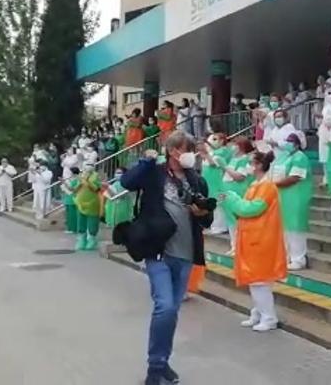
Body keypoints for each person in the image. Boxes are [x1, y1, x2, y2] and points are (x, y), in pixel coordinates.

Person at [115, 131, 213, 385]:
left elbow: (207, 220)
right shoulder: (154, 173)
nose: (189, 154)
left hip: (186, 254)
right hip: (158, 251)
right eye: (185, 149)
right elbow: (126, 182)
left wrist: (201, 212)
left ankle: (163, 362)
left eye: (191, 149)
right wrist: (146, 161)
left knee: (172, 312)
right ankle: (155, 367)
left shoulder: (197, 181)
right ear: (172, 151)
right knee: (165, 307)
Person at [220, 150, 287, 332]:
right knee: (254, 280)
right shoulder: (254, 185)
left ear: (258, 165)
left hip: (262, 239)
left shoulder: (268, 187)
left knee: (260, 281)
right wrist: (231, 203)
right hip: (252, 238)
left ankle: (269, 318)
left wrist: (233, 199)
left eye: (250, 162)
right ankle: (257, 313)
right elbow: (243, 210)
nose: (248, 165)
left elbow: (251, 209)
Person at [271, 132, 312, 271]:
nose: (288, 143)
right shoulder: (284, 156)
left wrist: (275, 184)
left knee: (295, 228)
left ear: (297, 144)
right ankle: (288, 257)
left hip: (297, 196)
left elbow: (295, 177)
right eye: (286, 140)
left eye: (291, 141)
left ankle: (299, 259)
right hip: (283, 197)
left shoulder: (300, 157)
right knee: (285, 229)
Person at [221, 137, 255, 254]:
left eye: (235, 144)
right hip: (228, 191)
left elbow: (240, 177)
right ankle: (234, 245)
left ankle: (241, 246)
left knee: (239, 220)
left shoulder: (245, 159)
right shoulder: (233, 159)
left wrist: (224, 166)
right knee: (230, 220)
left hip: (238, 191)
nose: (232, 147)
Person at [202, 133, 234, 235]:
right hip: (210, 181)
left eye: (216, 139)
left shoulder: (224, 151)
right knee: (213, 204)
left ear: (222, 141)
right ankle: (215, 225)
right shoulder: (213, 151)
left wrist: (205, 153)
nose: (213, 141)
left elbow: (213, 163)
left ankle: (221, 226)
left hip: (218, 180)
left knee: (219, 204)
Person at [72, 164, 101, 250]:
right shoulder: (81, 176)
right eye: (85, 167)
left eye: (89, 165)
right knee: (81, 221)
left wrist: (87, 182)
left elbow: (96, 189)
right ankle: (82, 239)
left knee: (92, 221)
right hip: (81, 202)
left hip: (92, 202)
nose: (86, 169)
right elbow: (75, 189)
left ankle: (92, 239)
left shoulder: (96, 176)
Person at [61, 166, 80, 234]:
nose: (70, 174)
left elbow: (72, 189)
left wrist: (64, 183)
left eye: (71, 172)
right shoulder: (72, 179)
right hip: (69, 198)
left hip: (73, 199)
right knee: (69, 215)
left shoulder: (77, 179)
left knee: (73, 215)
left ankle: (73, 229)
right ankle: (69, 228)